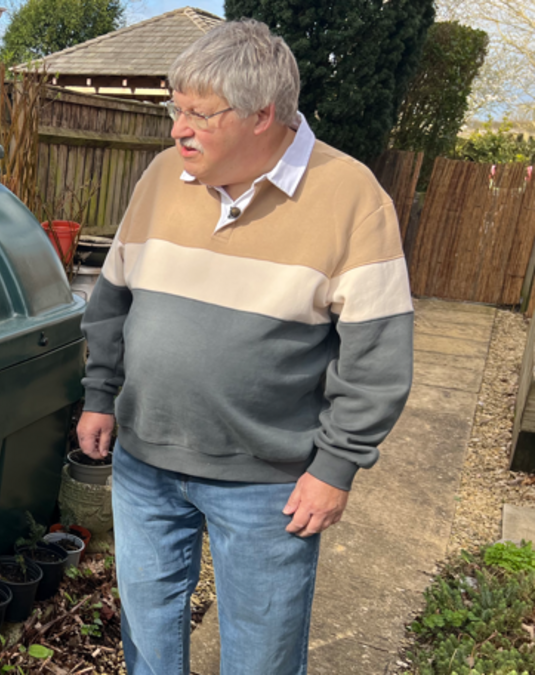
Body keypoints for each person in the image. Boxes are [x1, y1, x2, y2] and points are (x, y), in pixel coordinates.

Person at [76, 18, 413, 675]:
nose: (179, 128)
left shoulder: (351, 198)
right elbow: (112, 300)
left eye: (200, 113)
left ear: (263, 116)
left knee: (262, 658)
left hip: (269, 484)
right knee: (146, 646)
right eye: (176, 109)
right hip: (145, 462)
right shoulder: (160, 177)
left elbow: (377, 357)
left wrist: (336, 464)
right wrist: (100, 396)